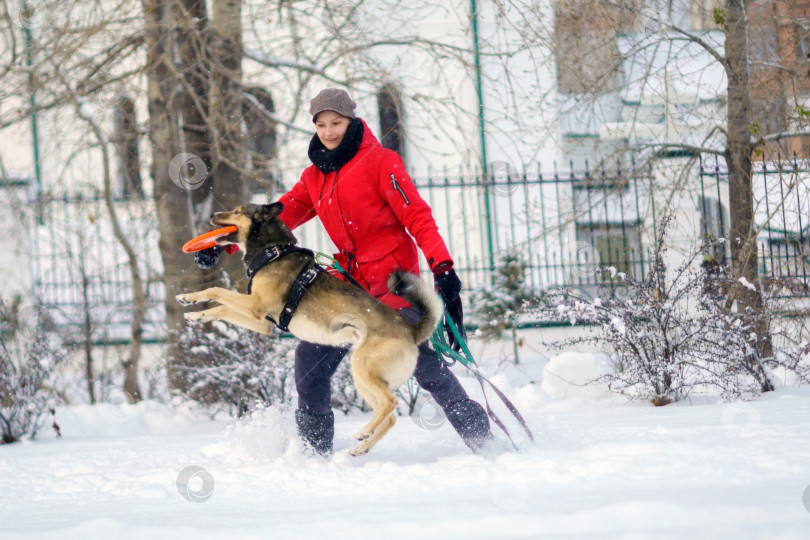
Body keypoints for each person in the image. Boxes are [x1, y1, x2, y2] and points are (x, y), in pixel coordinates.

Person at [196, 88, 492, 456]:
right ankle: (313, 455)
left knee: (426, 366)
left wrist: (442, 267)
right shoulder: (314, 177)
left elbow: (416, 215)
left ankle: (485, 444)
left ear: (351, 120)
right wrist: (222, 244)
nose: (329, 131)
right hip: (348, 289)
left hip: (392, 283)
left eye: (336, 122)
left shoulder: (382, 162)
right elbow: (274, 219)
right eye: (321, 124)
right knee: (310, 365)